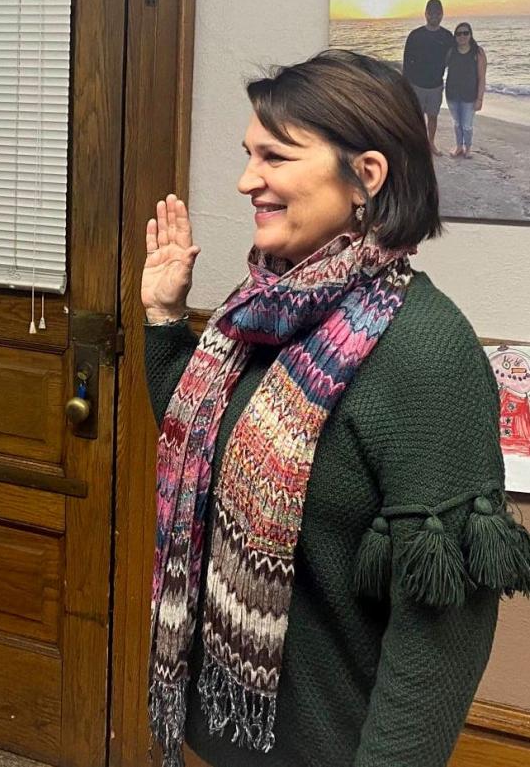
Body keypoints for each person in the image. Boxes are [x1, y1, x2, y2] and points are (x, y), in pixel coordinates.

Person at [141, 49, 530, 767]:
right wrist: (165, 321)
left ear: (366, 176)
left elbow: (439, 633)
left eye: (274, 156)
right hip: (231, 736)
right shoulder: (259, 308)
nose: (245, 180)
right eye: (247, 154)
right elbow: (206, 443)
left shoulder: (424, 352)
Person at [403, 0, 454, 155]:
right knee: (416, 118)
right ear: (425, 14)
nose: (434, 16)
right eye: (431, 13)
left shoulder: (447, 36)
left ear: (442, 15)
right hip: (416, 85)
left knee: (433, 116)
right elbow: (406, 61)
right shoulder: (415, 35)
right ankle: (418, 145)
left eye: (437, 13)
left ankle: (430, 143)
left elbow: (453, 58)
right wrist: (405, 85)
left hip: (436, 85)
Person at [444, 22, 487, 158]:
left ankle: (468, 148)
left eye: (465, 33)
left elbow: (482, 78)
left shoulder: (478, 52)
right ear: (455, 36)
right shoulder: (451, 51)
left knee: (467, 125)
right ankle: (458, 147)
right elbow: (439, 67)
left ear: (470, 34)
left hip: (470, 96)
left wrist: (480, 99)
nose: (462, 36)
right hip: (452, 94)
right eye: (459, 33)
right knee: (457, 123)